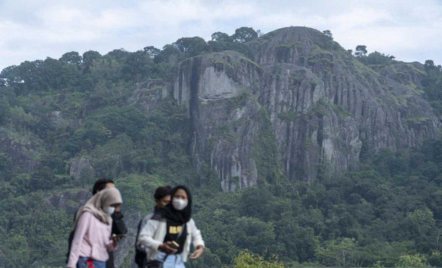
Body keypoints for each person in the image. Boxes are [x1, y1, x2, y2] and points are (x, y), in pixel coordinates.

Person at [138, 186, 205, 268]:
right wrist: (160, 246)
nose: (180, 200)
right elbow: (143, 237)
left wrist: (199, 247)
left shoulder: (187, 220)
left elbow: (196, 234)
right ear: (172, 198)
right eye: (177, 196)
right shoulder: (159, 217)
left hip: (178, 261)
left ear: (188, 201)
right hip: (159, 260)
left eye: (183, 197)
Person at [66, 178, 127, 268]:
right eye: (109, 191)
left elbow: (107, 241)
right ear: (99, 193)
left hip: (102, 261)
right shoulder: (87, 214)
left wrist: (113, 242)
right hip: (86, 260)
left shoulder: (108, 217)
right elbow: (77, 239)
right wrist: (71, 264)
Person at [135, 186, 172, 267]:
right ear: (157, 201)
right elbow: (140, 245)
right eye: (165, 202)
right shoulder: (148, 220)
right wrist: (159, 247)